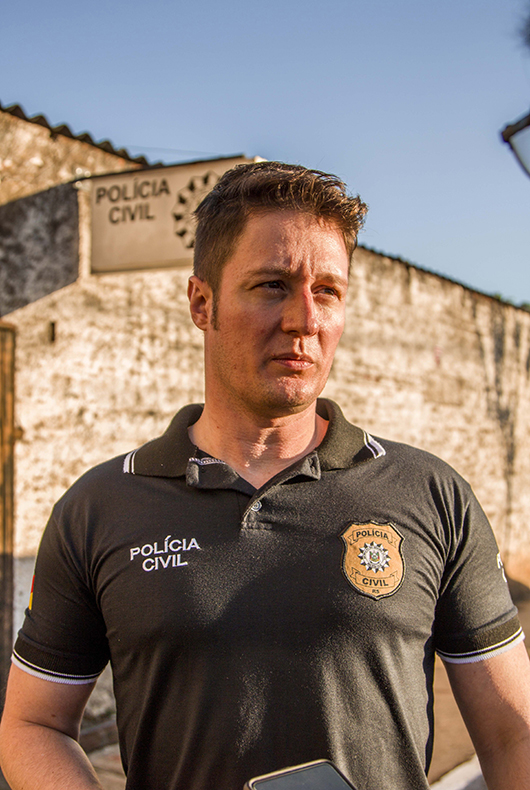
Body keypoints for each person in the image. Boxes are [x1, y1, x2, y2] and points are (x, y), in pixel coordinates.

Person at [1, 162, 530, 790]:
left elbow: (514, 734)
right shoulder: (99, 508)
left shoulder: (433, 496)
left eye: (327, 290)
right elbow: (32, 724)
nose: (305, 319)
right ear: (202, 303)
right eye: (272, 285)